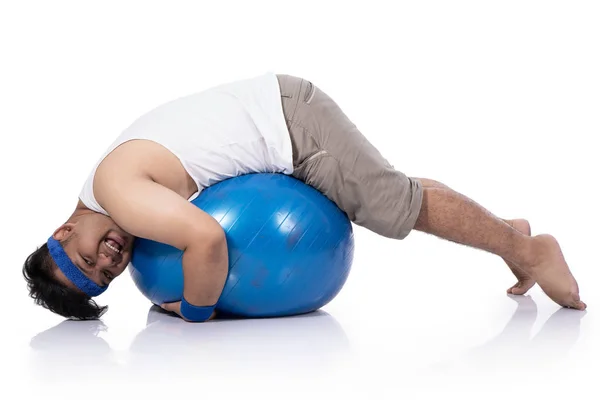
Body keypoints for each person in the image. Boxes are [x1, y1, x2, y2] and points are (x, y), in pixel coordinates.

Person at [22, 73, 586, 323]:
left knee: (392, 206)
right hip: (282, 115)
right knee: (391, 192)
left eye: (85, 258)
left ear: (65, 232)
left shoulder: (115, 194)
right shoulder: (104, 187)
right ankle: (506, 229)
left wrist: (194, 311)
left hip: (290, 127)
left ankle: (533, 249)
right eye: (101, 275)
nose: (109, 260)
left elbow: (207, 238)